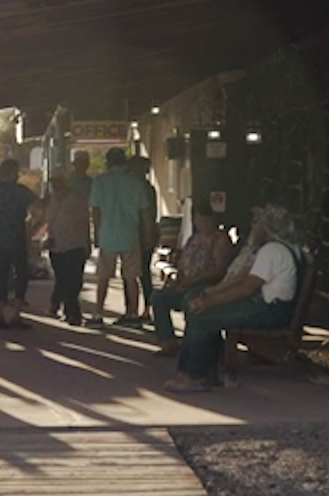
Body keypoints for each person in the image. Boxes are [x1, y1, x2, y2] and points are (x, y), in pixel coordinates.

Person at [164, 204, 303, 392]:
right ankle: (200, 372)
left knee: (202, 316)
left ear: (267, 227)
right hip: (274, 307)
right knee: (205, 312)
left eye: (256, 223)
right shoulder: (287, 249)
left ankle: (194, 374)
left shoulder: (271, 252)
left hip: (269, 310)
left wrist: (209, 301)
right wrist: (214, 294)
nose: (252, 227)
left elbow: (246, 288)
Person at [151, 200, 233, 355]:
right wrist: (178, 278)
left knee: (189, 299)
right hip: (186, 282)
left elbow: (218, 270)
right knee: (158, 297)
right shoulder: (193, 239)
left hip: (206, 285)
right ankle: (168, 343)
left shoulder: (220, 239)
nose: (203, 223)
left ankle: (195, 344)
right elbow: (182, 264)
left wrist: (194, 280)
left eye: (206, 219)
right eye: (198, 219)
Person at [87, 147, 152, 327]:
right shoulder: (136, 183)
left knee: (103, 277)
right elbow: (144, 213)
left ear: (108, 162)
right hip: (130, 235)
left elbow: (96, 210)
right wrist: (147, 235)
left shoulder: (100, 182)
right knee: (131, 278)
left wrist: (96, 233)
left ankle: (98, 314)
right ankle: (132, 315)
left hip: (108, 235)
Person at [0, 158, 39, 330]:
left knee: (2, 274)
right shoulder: (20, 191)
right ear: (13, 173)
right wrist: (32, 224)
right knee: (21, 274)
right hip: (17, 236)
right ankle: (16, 314)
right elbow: (38, 207)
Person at [44, 168, 90, 325]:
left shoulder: (77, 199)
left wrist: (88, 242)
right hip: (56, 245)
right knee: (62, 279)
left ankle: (73, 314)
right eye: (53, 181)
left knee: (74, 281)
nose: (55, 184)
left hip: (75, 244)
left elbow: (85, 222)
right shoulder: (49, 199)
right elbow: (44, 220)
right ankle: (62, 306)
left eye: (58, 180)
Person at [127, 155, 158, 322]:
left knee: (136, 273)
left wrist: (147, 234)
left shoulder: (142, 188)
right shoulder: (147, 188)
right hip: (142, 233)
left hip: (139, 234)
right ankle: (142, 308)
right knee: (141, 273)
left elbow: (148, 214)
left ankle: (139, 309)